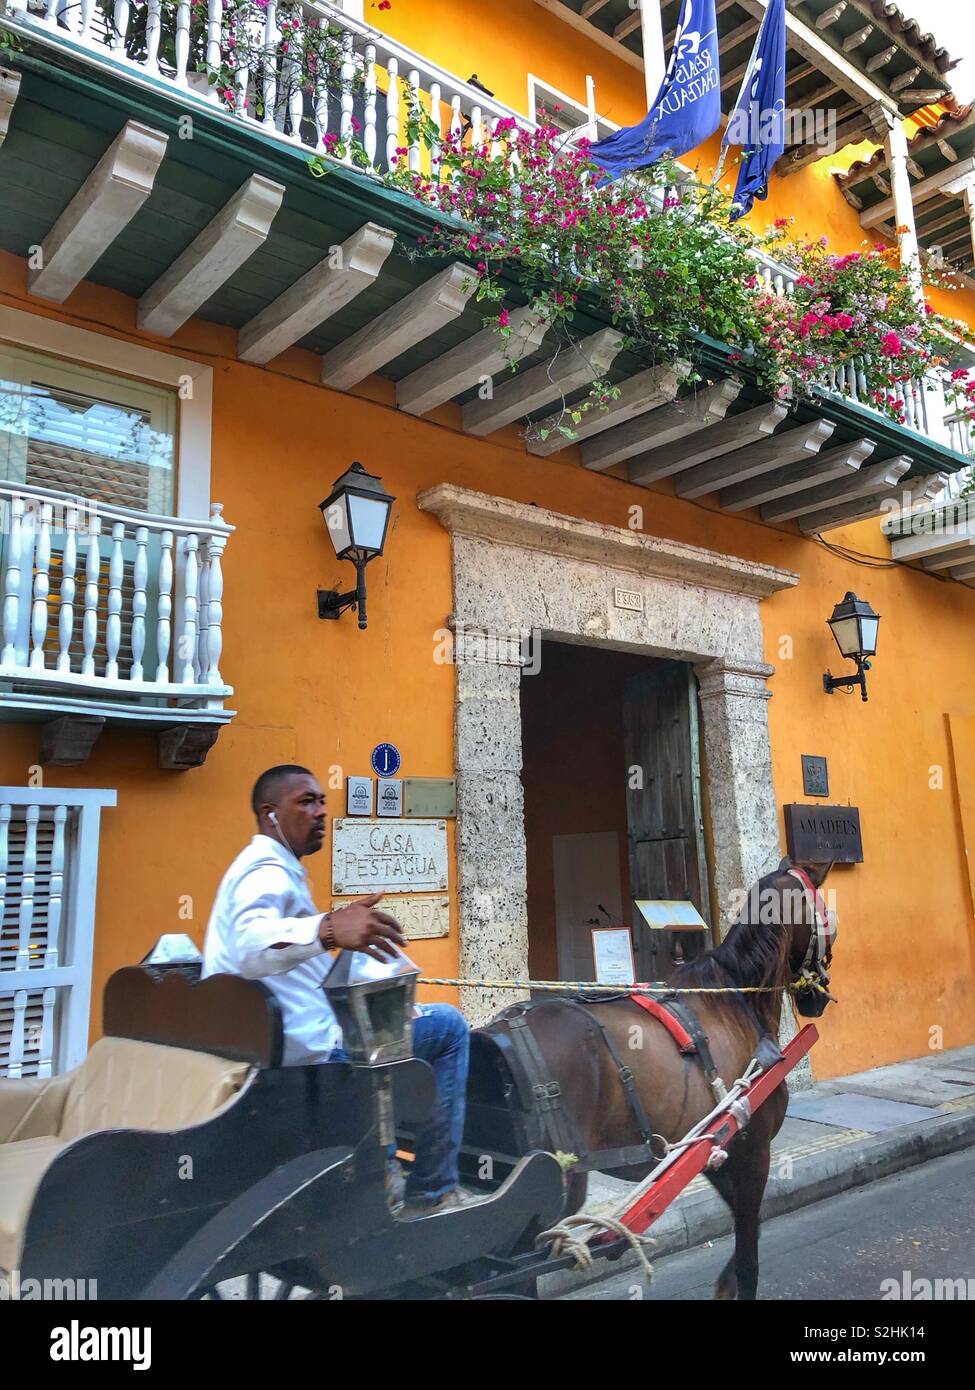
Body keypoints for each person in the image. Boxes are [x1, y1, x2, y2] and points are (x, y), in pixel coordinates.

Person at [202, 764, 470, 1217]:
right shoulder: (265, 870)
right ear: (270, 815)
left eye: (322, 801)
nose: (322, 811)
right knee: (449, 1027)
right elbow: (250, 945)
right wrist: (328, 928)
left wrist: (333, 927)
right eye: (306, 802)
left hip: (288, 1049)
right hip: (315, 1060)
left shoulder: (268, 869)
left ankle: (388, 1162)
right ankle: (433, 1187)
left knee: (395, 1020)